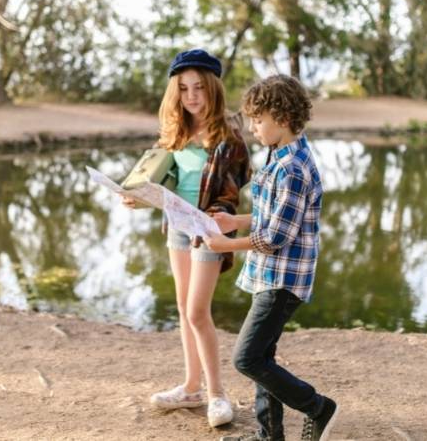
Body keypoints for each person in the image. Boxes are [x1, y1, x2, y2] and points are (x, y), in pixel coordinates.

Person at [204, 74, 339, 441]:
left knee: (246, 359)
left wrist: (226, 244)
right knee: (262, 360)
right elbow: (274, 215)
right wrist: (235, 220)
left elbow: (277, 236)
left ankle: (317, 406)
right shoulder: (280, 156)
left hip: (283, 281)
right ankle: (269, 436)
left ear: (281, 118)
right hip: (268, 275)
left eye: (257, 120)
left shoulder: (293, 168)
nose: (252, 128)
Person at [122, 49, 251, 428]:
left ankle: (216, 395)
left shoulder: (230, 138)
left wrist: (213, 220)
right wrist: (139, 197)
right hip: (177, 228)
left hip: (207, 229)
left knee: (197, 312)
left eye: (198, 87)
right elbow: (167, 182)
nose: (191, 95)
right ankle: (192, 387)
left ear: (212, 88)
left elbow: (234, 188)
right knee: (182, 309)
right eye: (183, 88)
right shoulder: (175, 134)